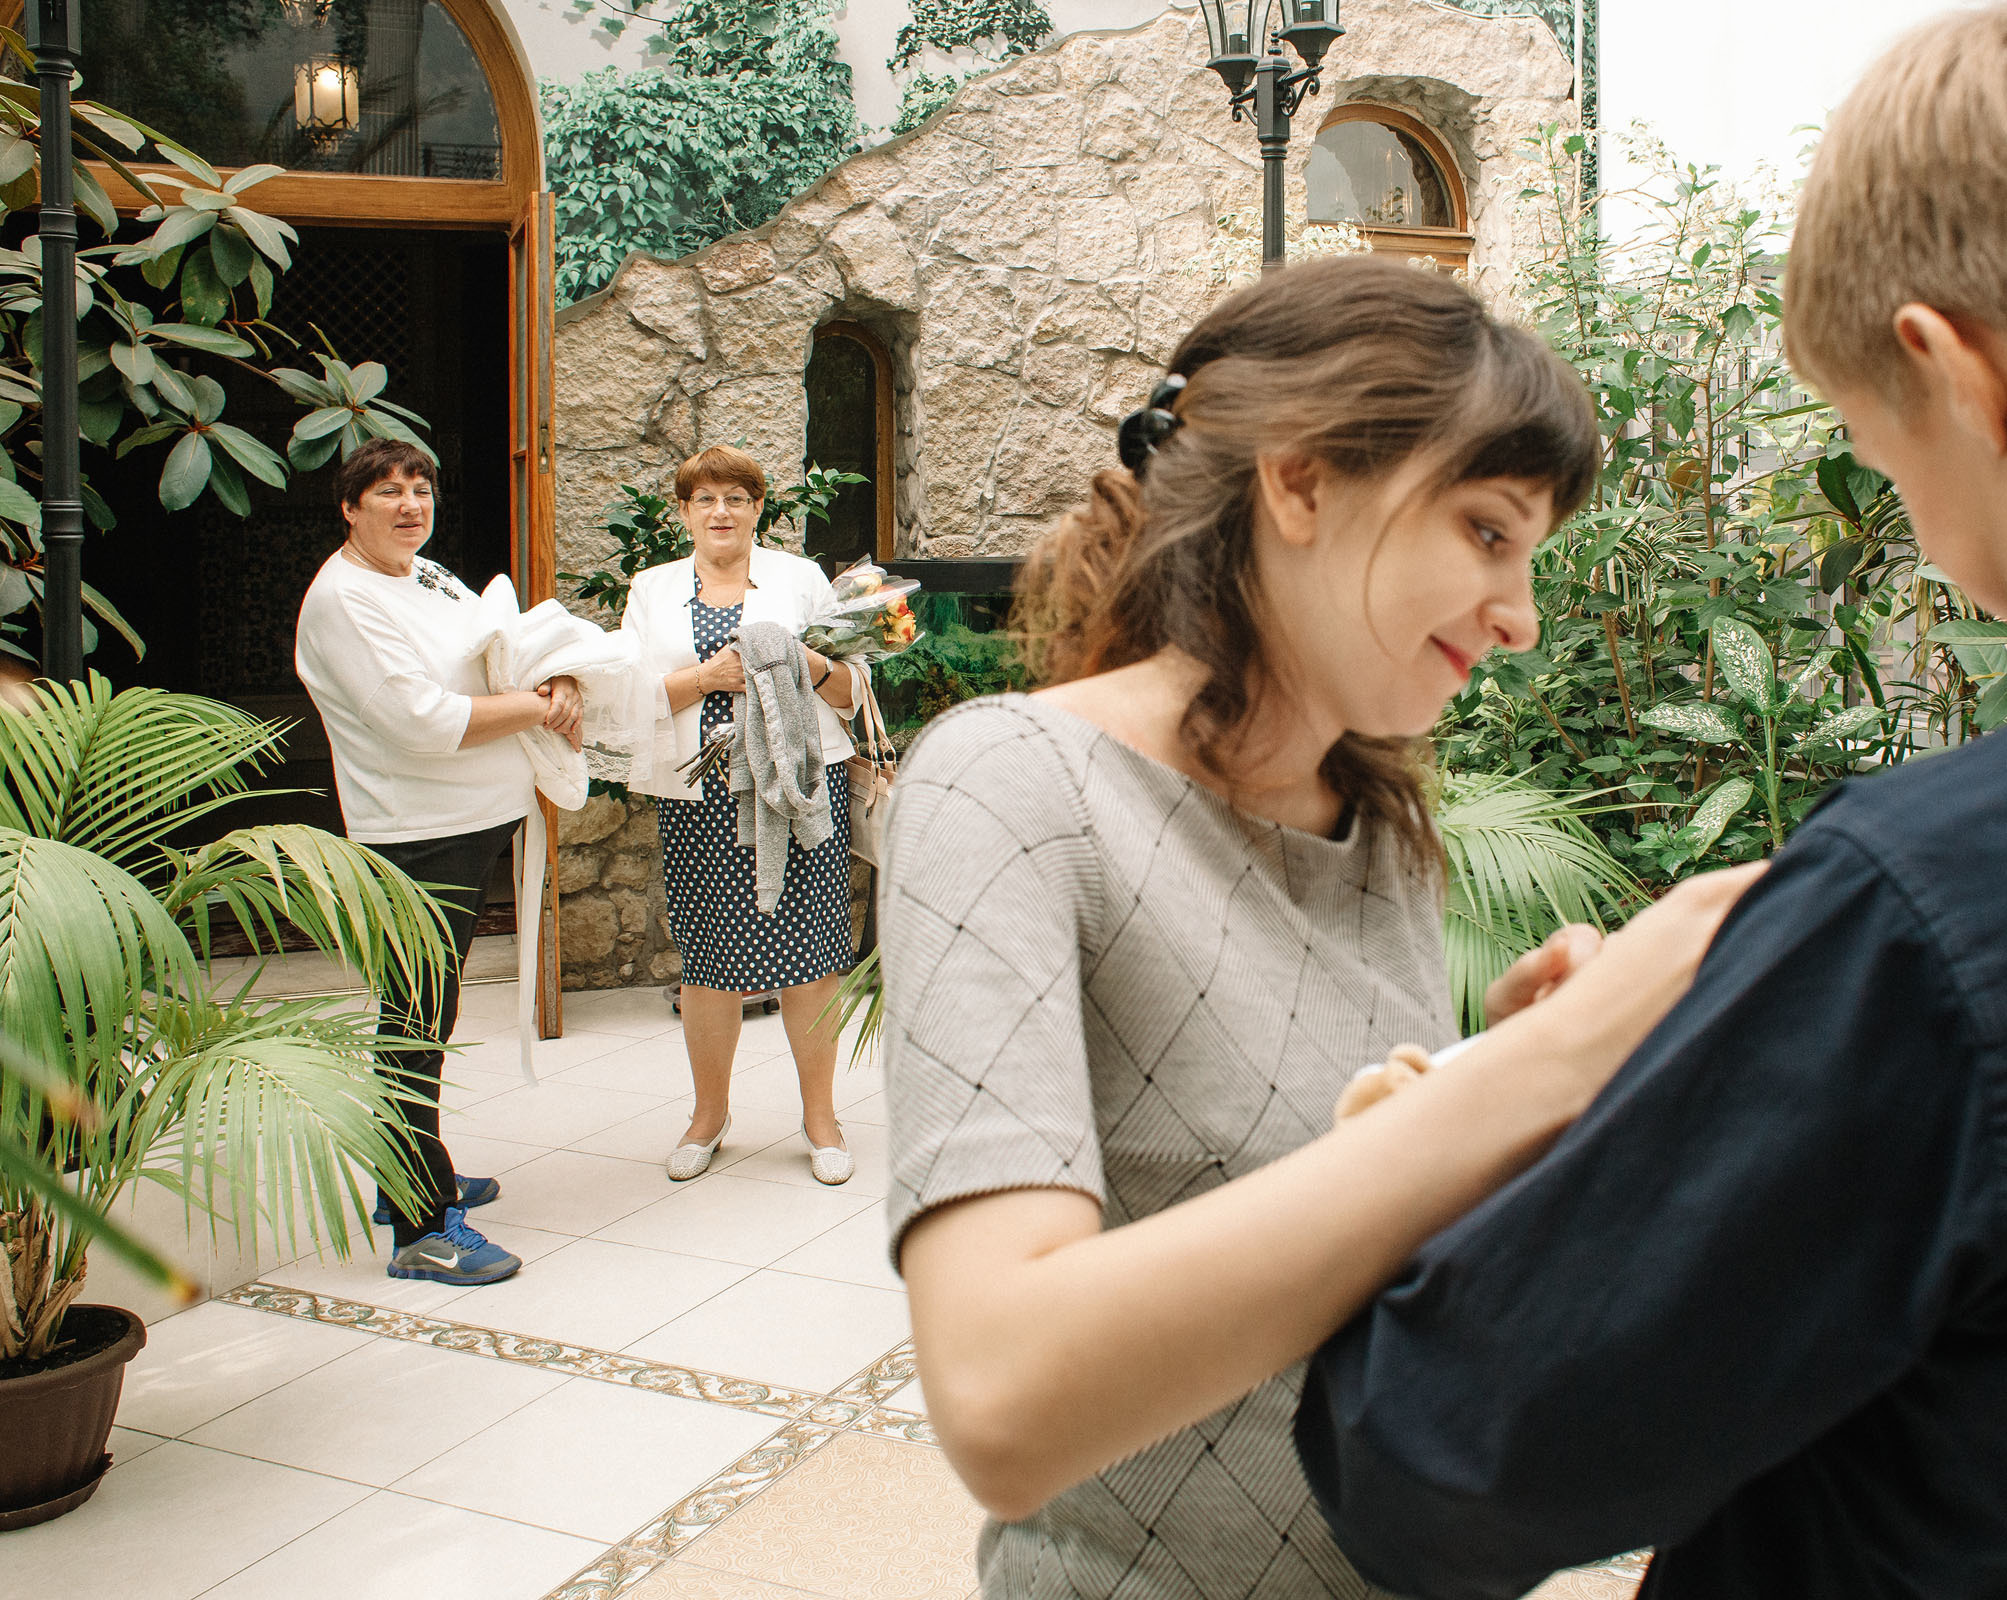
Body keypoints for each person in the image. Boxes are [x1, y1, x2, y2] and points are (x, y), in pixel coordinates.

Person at [1295, 4, 2007, 1596]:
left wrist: (1567, 1106)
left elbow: (1433, 1464)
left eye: (1886, 464)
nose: (1941, 549)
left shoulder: (1952, 915)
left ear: (1961, 377)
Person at [877, 255, 1766, 1599]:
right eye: (1485, 530)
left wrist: (1521, 1115)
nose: (1520, 619)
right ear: (1299, 482)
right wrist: (1533, 1075)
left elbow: (1360, 1263)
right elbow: (1001, 1399)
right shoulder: (1012, 785)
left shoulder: (1386, 830)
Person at [294, 437, 584, 1286]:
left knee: (433, 1013)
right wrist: (538, 705)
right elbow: (420, 720)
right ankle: (420, 1229)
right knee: (414, 1027)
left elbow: (497, 646)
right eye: (388, 491)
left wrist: (557, 677)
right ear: (350, 509)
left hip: (470, 822)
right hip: (415, 837)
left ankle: (411, 1174)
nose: (410, 504)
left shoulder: (420, 574)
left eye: (421, 488)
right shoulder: (344, 600)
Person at [620, 445, 867, 1184]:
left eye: (736, 498)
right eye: (705, 500)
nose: (721, 512)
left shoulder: (801, 581)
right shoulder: (651, 590)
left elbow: (855, 689)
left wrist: (805, 663)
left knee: (813, 963)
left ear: (759, 508)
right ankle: (709, 1115)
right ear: (685, 512)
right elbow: (632, 697)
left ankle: (820, 1118)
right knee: (709, 967)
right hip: (699, 800)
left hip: (796, 794)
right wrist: (708, 676)